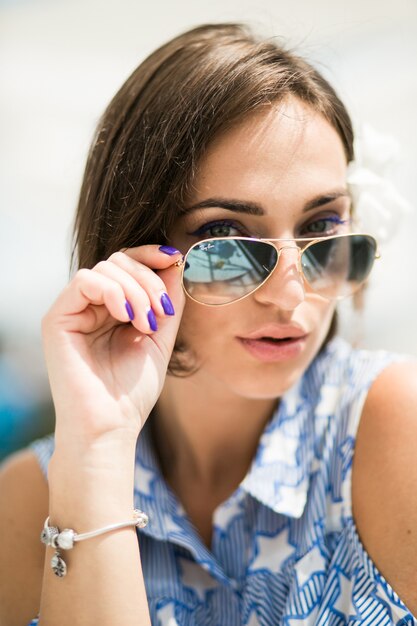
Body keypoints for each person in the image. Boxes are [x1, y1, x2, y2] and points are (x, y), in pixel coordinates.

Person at [0, 22, 416, 626]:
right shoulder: (27, 501)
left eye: (323, 226)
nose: (289, 295)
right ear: (136, 248)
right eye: (224, 238)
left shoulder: (394, 426)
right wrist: (96, 450)